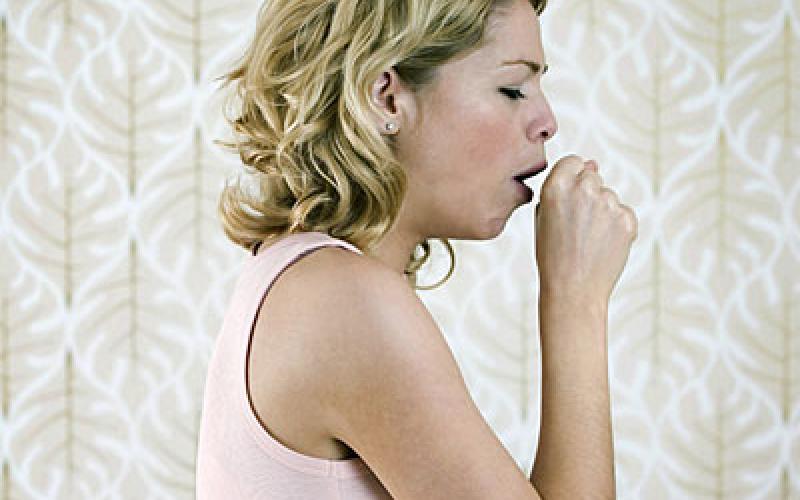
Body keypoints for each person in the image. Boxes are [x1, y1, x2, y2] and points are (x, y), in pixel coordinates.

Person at [196, 0, 638, 498]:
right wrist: (576, 299)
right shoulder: (344, 302)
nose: (547, 122)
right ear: (387, 99)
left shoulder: (304, 278)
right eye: (512, 89)